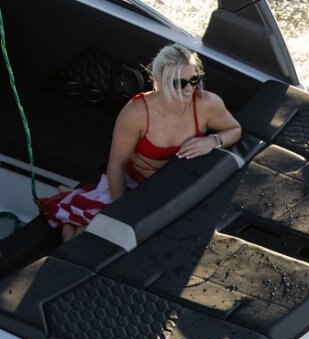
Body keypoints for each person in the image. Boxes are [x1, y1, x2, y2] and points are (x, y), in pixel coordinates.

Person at [38, 44, 242, 240]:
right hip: (131, 184)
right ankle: (69, 215)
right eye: (179, 83)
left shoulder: (207, 104)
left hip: (171, 189)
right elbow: (116, 166)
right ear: (160, 81)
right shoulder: (136, 113)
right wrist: (121, 211)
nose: (189, 89)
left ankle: (73, 202)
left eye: (194, 79)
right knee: (84, 240)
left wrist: (213, 140)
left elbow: (234, 130)